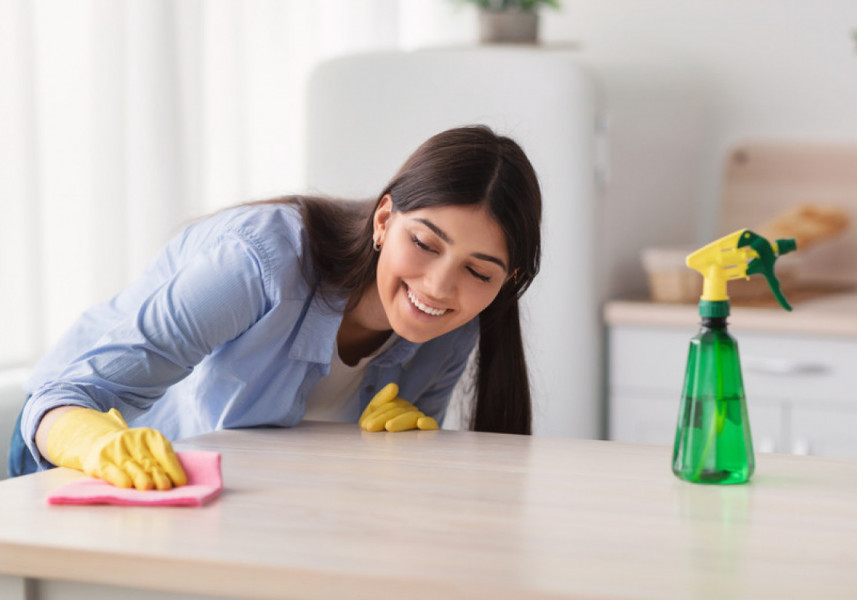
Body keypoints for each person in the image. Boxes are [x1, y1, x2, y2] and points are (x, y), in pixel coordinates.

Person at [8, 124, 542, 489]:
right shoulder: (258, 263)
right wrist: (96, 444)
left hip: (240, 504)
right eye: (425, 244)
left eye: (478, 271)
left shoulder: (454, 329)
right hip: (65, 455)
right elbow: (66, 395)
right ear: (384, 221)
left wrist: (391, 450)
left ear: (507, 280)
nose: (441, 286)